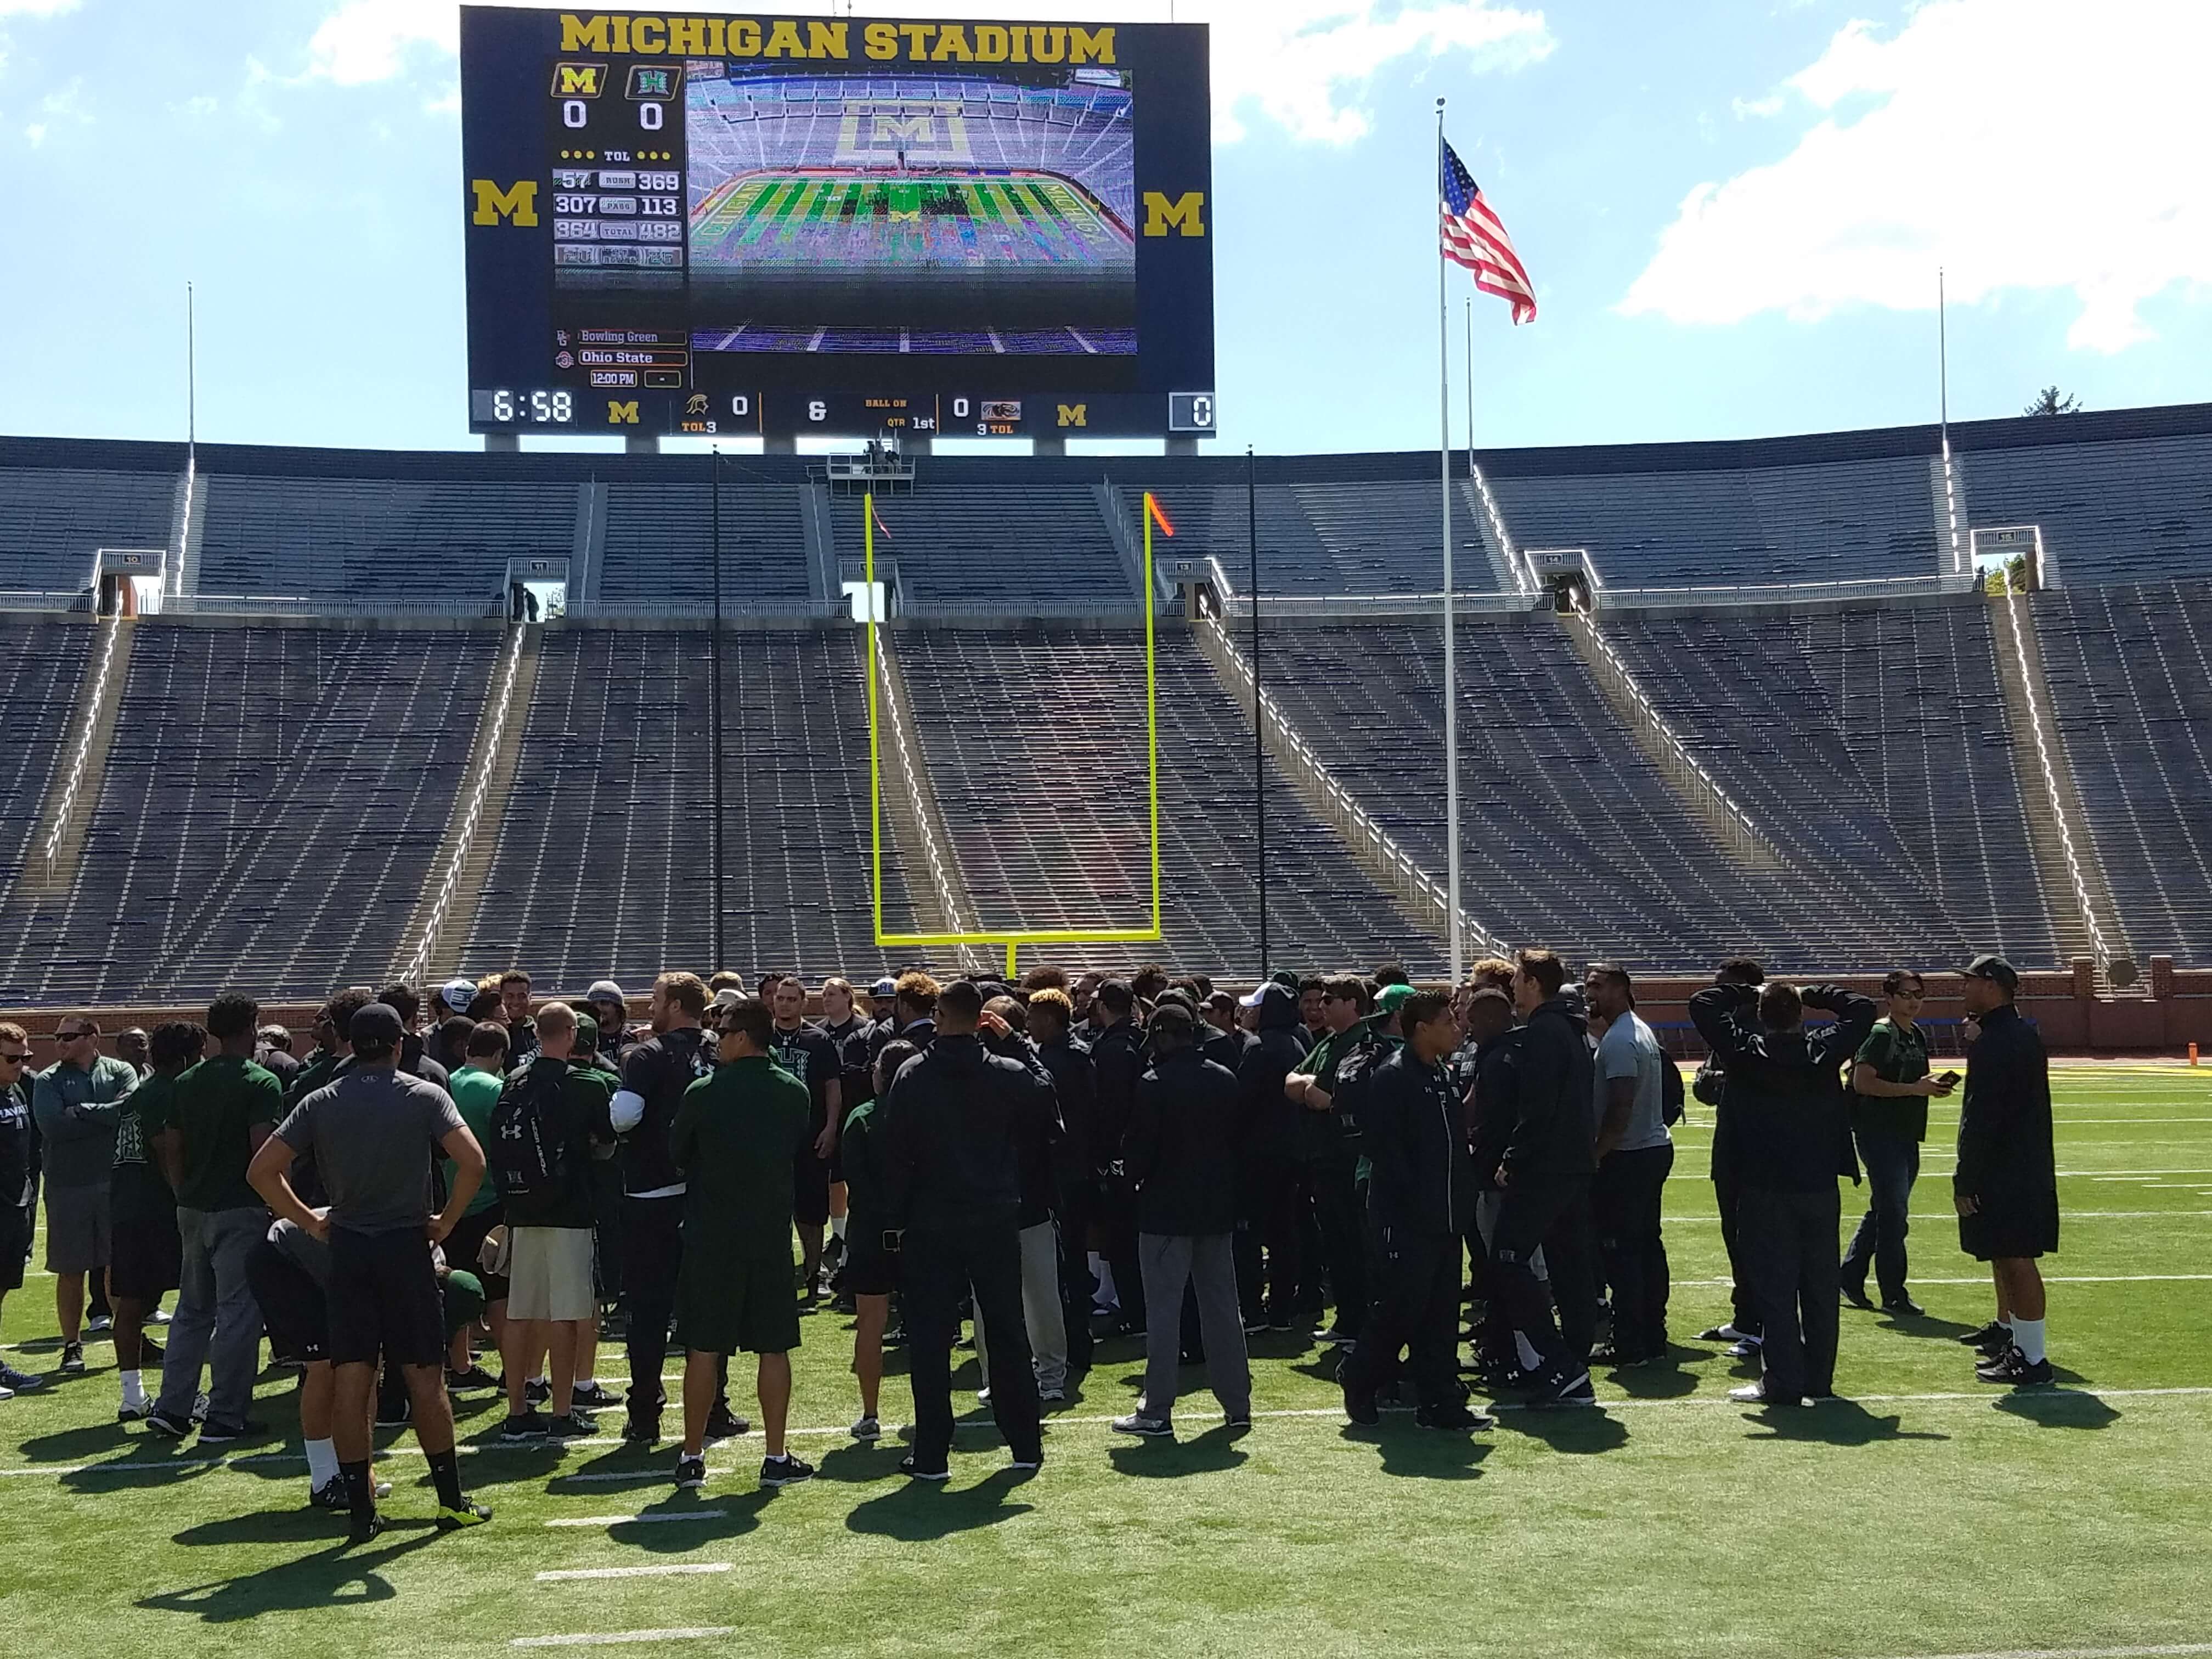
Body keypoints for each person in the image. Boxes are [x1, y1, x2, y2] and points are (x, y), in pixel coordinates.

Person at [249, 1001, 492, 1540]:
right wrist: (447, 1221)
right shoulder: (423, 1095)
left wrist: (311, 1222)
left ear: (350, 1045)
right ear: (400, 1044)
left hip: (349, 1250)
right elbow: (473, 1162)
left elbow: (262, 1171)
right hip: (406, 1248)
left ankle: (361, 1511)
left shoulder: (322, 1100)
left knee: (354, 1379)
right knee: (426, 1379)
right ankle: (450, 1501)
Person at [882, 979, 1051, 1480]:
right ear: (981, 1020)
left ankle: (932, 1453)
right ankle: (1025, 1443)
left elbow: (896, 1154)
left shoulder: (913, 1073)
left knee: (931, 1339)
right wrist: (1017, 1045)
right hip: (993, 1215)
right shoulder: (1007, 1072)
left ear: (938, 1016)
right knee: (1006, 1330)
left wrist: (895, 1220)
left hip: (932, 1219)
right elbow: (1047, 1108)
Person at [1689, 977, 1875, 1407]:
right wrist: (1811, 992)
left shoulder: (1745, 1051)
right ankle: (1818, 1379)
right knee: (1820, 1287)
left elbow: (1702, 1003)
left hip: (1764, 1187)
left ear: (1760, 1015)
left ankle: (1783, 1381)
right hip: (1818, 1184)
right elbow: (1862, 1007)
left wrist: (1748, 991)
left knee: (1774, 1289)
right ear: (1801, 1015)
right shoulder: (1821, 1050)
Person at [668, 996, 815, 1489]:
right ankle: (775, 1456)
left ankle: (692, 1455)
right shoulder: (793, 1091)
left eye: (724, 1030)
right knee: (774, 1348)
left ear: (743, 1037)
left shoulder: (703, 1092)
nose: (716, 1040)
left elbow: (678, 1152)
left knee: (703, 1349)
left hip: (711, 1236)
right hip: (768, 1236)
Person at [1342, 990, 1488, 1431]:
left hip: (1446, 1219)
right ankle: (1360, 1377)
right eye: (1448, 1022)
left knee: (1441, 1316)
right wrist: (1410, 1206)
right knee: (1400, 1310)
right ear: (1422, 1029)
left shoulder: (1442, 1074)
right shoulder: (1393, 1076)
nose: (1457, 1028)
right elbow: (1384, 1150)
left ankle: (1440, 1402)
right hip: (1408, 1220)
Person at [1104, 1000, 1249, 1438]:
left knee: (1164, 1313)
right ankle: (1237, 1404)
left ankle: (1157, 1409)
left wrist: (1127, 1180)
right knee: (1223, 1308)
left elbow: (1140, 1153)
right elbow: (1238, 1145)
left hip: (1166, 1213)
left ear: (1163, 1037)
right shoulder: (1224, 1078)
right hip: (1216, 1210)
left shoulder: (1154, 1083)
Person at [143, 995, 282, 1441]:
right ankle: (225, 1414)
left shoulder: (187, 1081)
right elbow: (262, 1151)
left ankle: (173, 1406)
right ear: (252, 1027)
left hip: (193, 1206)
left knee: (191, 1310)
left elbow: (173, 1144)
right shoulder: (260, 1081)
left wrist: (182, 1192)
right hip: (240, 1206)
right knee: (238, 1313)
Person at [610, 970, 727, 1445]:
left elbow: (623, 1117)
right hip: (708, 1196)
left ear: (676, 1005)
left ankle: (645, 1414)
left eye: (657, 999)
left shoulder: (649, 1054)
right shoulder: (722, 1048)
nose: (650, 1007)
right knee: (708, 1308)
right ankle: (715, 1407)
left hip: (651, 1196)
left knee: (648, 1312)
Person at [495, 1003, 616, 1440]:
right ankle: (562, 1412)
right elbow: (606, 1144)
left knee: (520, 1313)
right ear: (570, 1033)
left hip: (521, 1210)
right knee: (566, 1314)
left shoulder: (513, 1080)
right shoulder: (587, 1083)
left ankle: (518, 1411)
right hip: (570, 1212)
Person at [1487, 949, 1600, 1408]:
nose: (1513, 985)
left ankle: (1559, 1363)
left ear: (1533, 982)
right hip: (1572, 1165)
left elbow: (1537, 1108)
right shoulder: (1571, 1030)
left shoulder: (1544, 1032)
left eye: (1518, 978)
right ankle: (1572, 1362)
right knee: (1570, 1265)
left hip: (1545, 1168)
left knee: (1508, 1260)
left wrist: (1513, 1159)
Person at [1954, 955, 2058, 1389]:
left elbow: (1983, 1118)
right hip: (2018, 1165)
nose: (1964, 988)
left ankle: (2033, 1358)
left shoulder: (1999, 1041)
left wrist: (1966, 1178)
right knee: (2007, 1255)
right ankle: (2021, 1347)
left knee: (2017, 1259)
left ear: (1992, 986)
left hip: (2008, 1169)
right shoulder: (2014, 1034)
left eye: (1971, 981)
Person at [970, 997, 1071, 1407]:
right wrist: (1020, 1046)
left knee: (1020, 1296)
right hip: (1010, 1200)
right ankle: (1036, 1374)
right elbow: (1046, 1092)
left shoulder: (1004, 1073)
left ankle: (1026, 1375)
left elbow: (1045, 1095)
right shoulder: (1014, 1071)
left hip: (1008, 1200)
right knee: (1023, 1295)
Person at [31, 1014, 138, 1374]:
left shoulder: (120, 1071)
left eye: (68, 1036)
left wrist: (81, 1111)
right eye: (57, 1037)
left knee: (118, 1265)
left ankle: (128, 1337)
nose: (60, 1043)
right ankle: (72, 1345)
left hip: (115, 1182)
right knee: (71, 1269)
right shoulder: (48, 1080)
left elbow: (129, 1111)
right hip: (67, 1185)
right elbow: (53, 1127)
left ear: (93, 1037)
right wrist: (104, 1118)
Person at [1843, 970, 1951, 1316]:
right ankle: (1893, 1292)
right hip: (1879, 1132)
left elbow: (1911, 1080)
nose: (1913, 1000)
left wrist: (1930, 1086)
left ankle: (1849, 1274)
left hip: (1906, 1133)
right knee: (1894, 1215)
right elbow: (1862, 1082)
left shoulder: (1915, 1033)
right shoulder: (1880, 1034)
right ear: (1889, 998)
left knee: (1886, 1209)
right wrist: (1914, 1089)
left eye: (1918, 994)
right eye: (1905, 994)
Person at [109, 1021, 200, 1421]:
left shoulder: (138, 1093)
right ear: (185, 1057)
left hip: (127, 1206)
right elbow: (167, 1152)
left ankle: (132, 1395)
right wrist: (186, 1200)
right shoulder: (168, 1092)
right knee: (194, 1304)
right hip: (159, 1211)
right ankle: (183, 1395)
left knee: (132, 1303)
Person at [1585, 963, 1674, 1366]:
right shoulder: (1636, 1029)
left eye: (1598, 986)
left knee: (1623, 1252)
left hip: (1630, 1155)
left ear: (1621, 989)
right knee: (1646, 1247)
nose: (1590, 994)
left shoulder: (1621, 1039)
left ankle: (1630, 1341)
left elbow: (1620, 1109)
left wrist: (1596, 1154)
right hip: (1648, 1149)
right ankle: (1652, 1335)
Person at [1283, 975, 1373, 1347]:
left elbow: (1320, 1096)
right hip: (1324, 1157)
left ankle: (1361, 1322)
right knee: (1335, 1244)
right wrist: (1313, 1085)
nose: (1321, 1007)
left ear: (1352, 1003)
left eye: (1330, 1000)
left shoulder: (1363, 1041)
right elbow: (1292, 1083)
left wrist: (1313, 1087)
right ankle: (1349, 1320)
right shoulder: (1329, 1042)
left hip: (1346, 1158)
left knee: (1354, 1244)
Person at [1692, 957, 1769, 1355]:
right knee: (1735, 1235)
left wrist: (1725, 1079)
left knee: (1755, 1240)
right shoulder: (1727, 1031)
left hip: (1756, 1150)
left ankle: (1762, 1325)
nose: (1717, 993)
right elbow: (1703, 1087)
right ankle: (1745, 1318)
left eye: (1726, 987)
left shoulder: (1763, 1029)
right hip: (1731, 1144)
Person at [838, 1039, 913, 1440]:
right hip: (921, 1229)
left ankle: (870, 1414)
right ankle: (932, 1411)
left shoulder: (862, 1117)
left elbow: (854, 1178)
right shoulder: (926, 1114)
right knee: (929, 1323)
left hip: (871, 1231)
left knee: (871, 1324)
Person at [1026, 988, 1098, 1374]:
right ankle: (1079, 1343)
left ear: (1050, 1020)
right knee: (1072, 1260)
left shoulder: (1054, 1061)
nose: (1028, 1023)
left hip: (1060, 1173)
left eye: (1033, 1017)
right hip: (1077, 1168)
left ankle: (1070, 1344)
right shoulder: (1080, 1054)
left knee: (1062, 1264)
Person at [1234, 981, 1310, 1334]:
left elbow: (1244, 1101)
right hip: (1292, 1149)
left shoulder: (1259, 1047)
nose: (1249, 1012)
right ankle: (1282, 1308)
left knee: (1250, 1233)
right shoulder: (1297, 1041)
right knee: (1285, 1232)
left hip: (1259, 1154)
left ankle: (1253, 1309)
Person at [768, 975, 842, 1305]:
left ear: (803, 1003)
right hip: (770, 1139)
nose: (785, 1004)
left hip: (810, 1136)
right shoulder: (762, 1036)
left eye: (791, 999)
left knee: (811, 1213)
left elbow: (832, 1086)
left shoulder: (818, 1039)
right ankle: (776, 1280)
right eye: (780, 998)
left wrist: (831, 1127)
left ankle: (814, 1275)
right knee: (772, 1211)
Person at [442, 1022, 509, 1390]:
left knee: (456, 1289)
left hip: (448, 1204)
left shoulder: (444, 1083)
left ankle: (460, 1367)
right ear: (499, 1055)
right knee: (499, 1294)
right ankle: (514, 1374)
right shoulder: (495, 1088)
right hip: (487, 1201)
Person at [1087, 979, 1148, 1334]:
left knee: (1123, 1238)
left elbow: (1110, 1109)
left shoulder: (1114, 1049)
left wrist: (1105, 1155)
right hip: (1140, 1152)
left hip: (1119, 1157)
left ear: (1103, 1007)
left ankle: (1134, 1311)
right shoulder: (1140, 1041)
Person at [0, 1022, 44, 1400]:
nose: (21, 1064)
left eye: (24, 1057)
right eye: (12, 1058)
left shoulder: (16, 1090)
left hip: (16, 1205)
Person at [499, 970, 540, 1062]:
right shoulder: (492, 1034)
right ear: (501, 998)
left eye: (522, 996)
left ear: (530, 998)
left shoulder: (540, 1033)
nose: (516, 1002)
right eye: (510, 996)